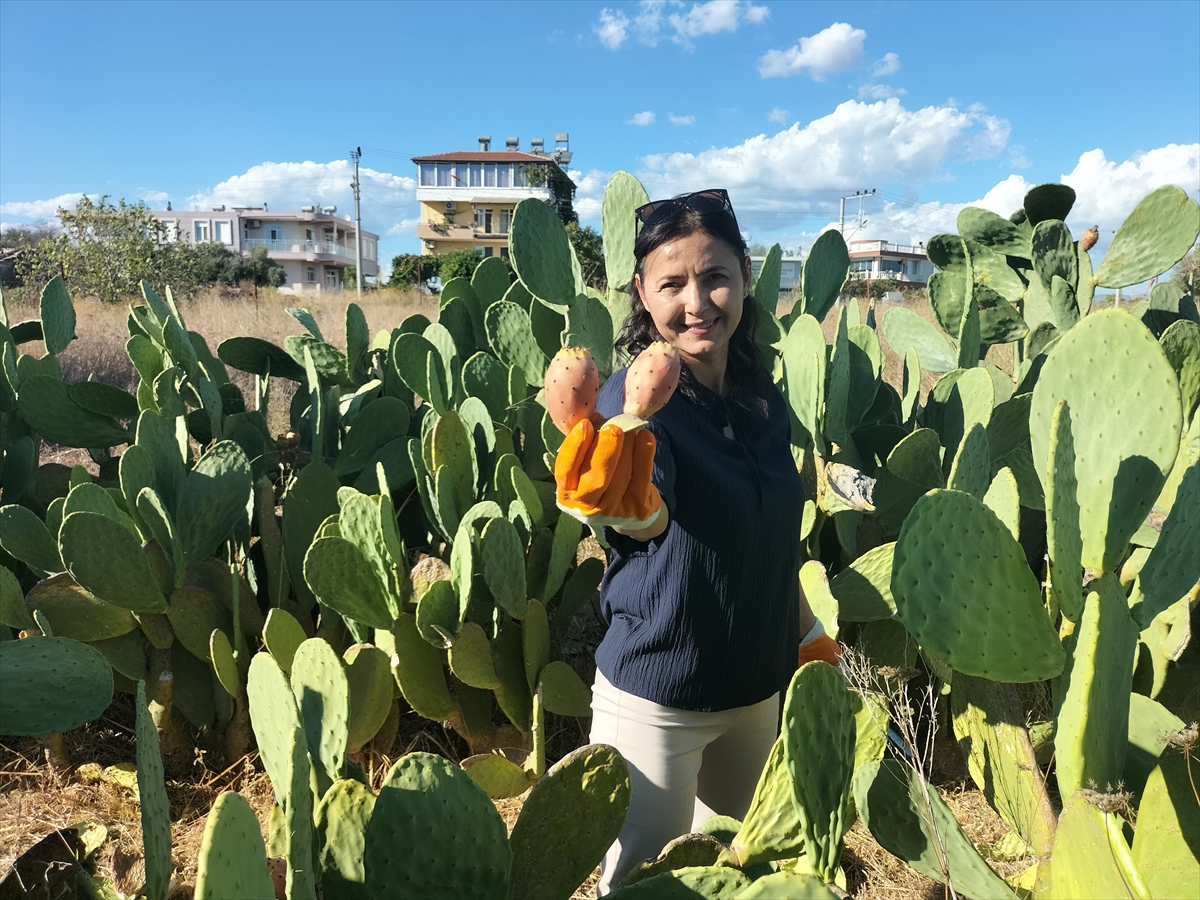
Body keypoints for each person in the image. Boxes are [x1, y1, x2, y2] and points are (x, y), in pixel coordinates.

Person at [553, 189, 840, 894]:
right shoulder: (637, 403)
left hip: (756, 692)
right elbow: (646, 517)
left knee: (749, 880)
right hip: (660, 700)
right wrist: (632, 512)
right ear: (642, 296)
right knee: (642, 888)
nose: (697, 302)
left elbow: (772, 545)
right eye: (672, 283)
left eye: (714, 276)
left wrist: (809, 637)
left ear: (744, 274)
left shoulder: (764, 400)